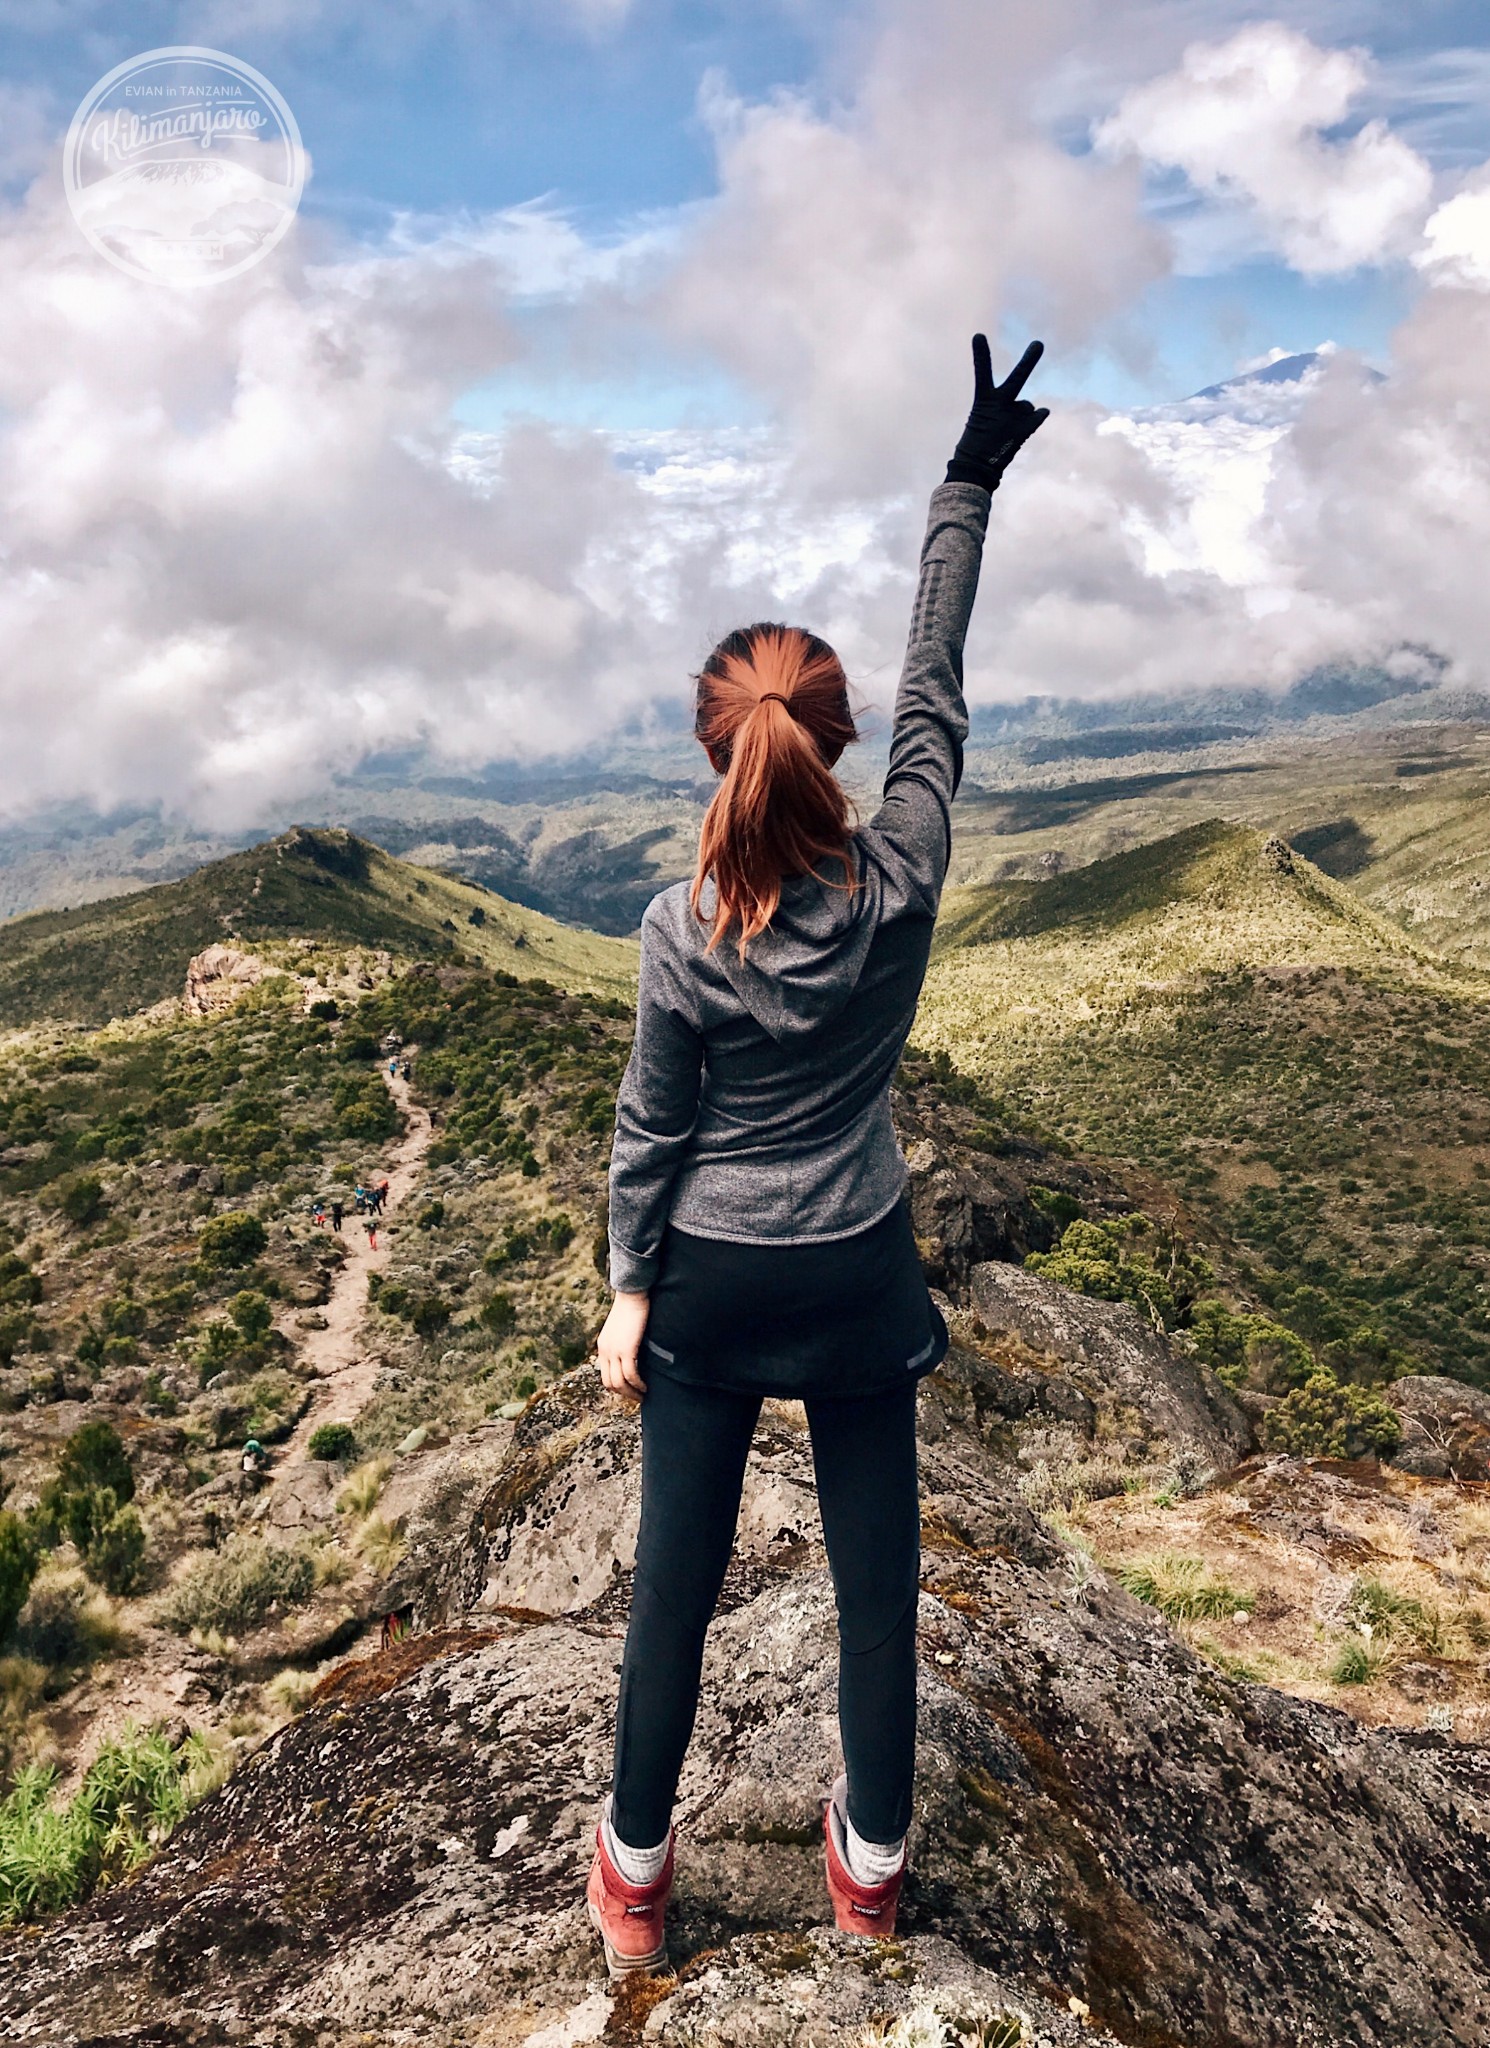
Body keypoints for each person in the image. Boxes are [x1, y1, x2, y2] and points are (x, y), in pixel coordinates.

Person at [586, 335, 1048, 1980]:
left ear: (720, 752)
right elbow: (943, 687)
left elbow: (653, 1128)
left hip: (712, 1278)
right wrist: (965, 485)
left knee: (671, 1596)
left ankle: (634, 1887)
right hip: (853, 1265)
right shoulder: (902, 875)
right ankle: (867, 1881)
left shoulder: (672, 927)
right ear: (836, 749)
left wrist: (631, 1294)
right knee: (874, 1594)